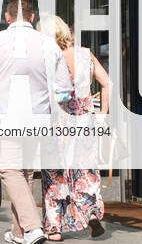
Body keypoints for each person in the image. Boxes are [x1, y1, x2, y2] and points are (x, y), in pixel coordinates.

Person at [0, 0, 73, 244]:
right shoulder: (48, 44)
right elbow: (64, 90)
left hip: (5, 118)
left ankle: (32, 227)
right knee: (25, 172)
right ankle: (19, 232)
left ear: (7, 18)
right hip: (38, 120)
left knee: (9, 169)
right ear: (32, 18)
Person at [37, 15, 110, 241]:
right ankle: (91, 214)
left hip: (57, 123)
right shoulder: (85, 54)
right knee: (85, 171)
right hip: (84, 121)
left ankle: (54, 228)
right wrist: (102, 114)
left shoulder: (47, 57)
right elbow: (107, 82)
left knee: (55, 175)